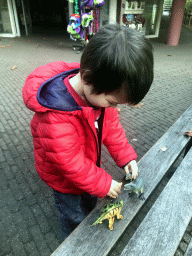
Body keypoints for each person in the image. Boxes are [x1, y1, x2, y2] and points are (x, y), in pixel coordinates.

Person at [22, 23, 154, 241]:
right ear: (87, 78)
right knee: (73, 215)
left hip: (87, 168)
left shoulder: (99, 93)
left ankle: (88, 217)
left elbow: (111, 128)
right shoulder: (56, 116)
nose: (112, 107)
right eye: (112, 102)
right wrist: (102, 183)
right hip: (63, 179)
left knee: (90, 199)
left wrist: (125, 157)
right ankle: (74, 242)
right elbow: (69, 163)